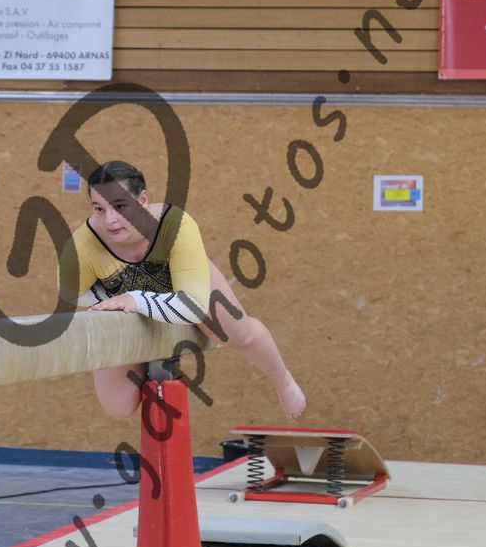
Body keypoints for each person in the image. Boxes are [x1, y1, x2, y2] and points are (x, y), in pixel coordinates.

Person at [58, 160, 306, 422]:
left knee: (236, 333)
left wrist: (137, 298)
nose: (109, 220)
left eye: (119, 206)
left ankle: (284, 380)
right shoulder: (84, 243)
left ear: (143, 200)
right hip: (128, 293)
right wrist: (110, 299)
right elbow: (70, 293)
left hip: (183, 281)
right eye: (99, 208)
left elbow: (194, 305)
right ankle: (147, 348)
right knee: (118, 406)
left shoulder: (173, 224)